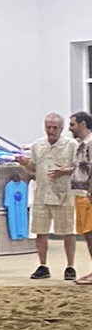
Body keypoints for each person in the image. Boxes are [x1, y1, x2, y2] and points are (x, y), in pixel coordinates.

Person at [13, 114, 78, 280]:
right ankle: (43, 265)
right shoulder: (38, 145)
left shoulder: (71, 145)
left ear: (61, 129)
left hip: (64, 193)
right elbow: (33, 169)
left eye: (55, 128)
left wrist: (65, 170)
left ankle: (70, 266)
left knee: (67, 231)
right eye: (48, 127)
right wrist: (25, 163)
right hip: (42, 192)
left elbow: (79, 167)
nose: (51, 131)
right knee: (40, 231)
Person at [71, 111, 92, 285]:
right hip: (80, 194)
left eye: (72, 124)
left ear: (82, 124)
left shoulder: (90, 143)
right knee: (87, 234)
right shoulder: (81, 145)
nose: (70, 128)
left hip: (88, 194)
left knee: (91, 234)